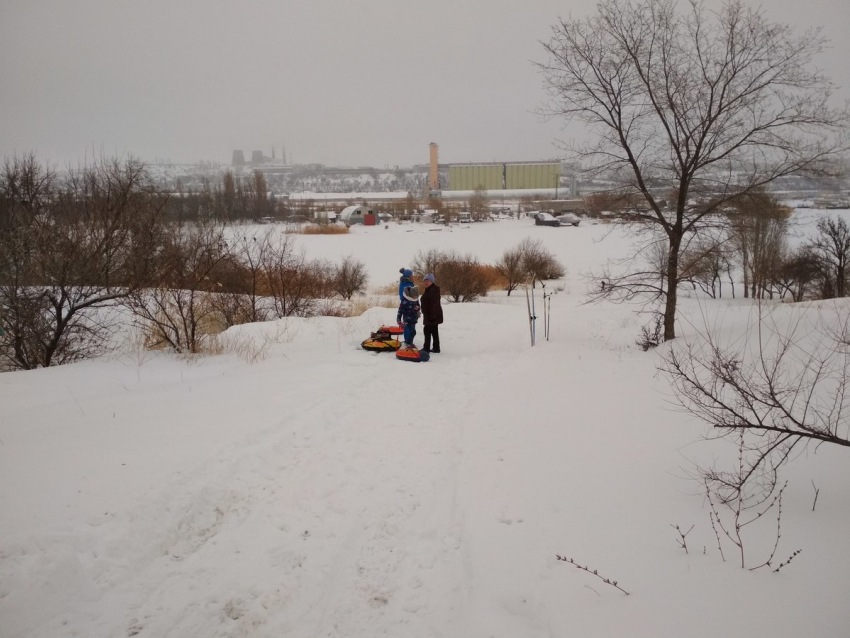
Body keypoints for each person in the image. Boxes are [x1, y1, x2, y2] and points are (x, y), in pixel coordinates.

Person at [420, 273, 443, 353]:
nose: (426, 282)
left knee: (427, 331)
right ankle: (436, 348)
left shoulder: (433, 291)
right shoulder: (429, 290)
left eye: (428, 281)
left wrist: (432, 316)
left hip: (431, 316)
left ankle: (426, 348)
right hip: (431, 315)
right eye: (425, 281)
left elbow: (434, 305)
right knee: (434, 331)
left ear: (432, 281)